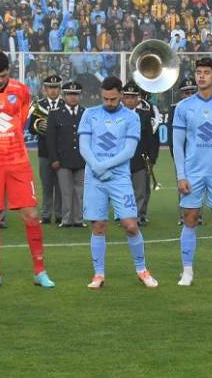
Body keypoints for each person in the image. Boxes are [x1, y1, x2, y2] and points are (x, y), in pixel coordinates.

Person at [0, 51, 55, 290]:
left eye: (4, 76)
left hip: (18, 162)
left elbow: (21, 120)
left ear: (9, 72)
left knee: (32, 215)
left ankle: (40, 271)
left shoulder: (21, 90)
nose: (0, 80)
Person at [79, 76, 159, 289]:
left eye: (113, 99)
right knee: (98, 225)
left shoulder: (131, 118)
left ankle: (142, 270)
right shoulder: (90, 114)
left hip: (119, 178)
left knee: (130, 225)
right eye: (105, 98)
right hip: (95, 179)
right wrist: (96, 167)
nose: (109, 103)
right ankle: (98, 275)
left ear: (121, 95)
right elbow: (84, 146)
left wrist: (103, 166)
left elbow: (129, 151)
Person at [171, 57, 212, 286]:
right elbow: (177, 145)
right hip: (193, 174)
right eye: (198, 72)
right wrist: (181, 175)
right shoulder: (184, 107)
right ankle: (187, 272)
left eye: (206, 72)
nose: (201, 76)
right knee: (190, 219)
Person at [47, 81, 86, 228]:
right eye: (70, 94)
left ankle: (78, 219)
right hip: (63, 160)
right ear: (64, 96)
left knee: (79, 191)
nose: (73, 97)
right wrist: (54, 159)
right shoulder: (55, 113)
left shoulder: (85, 113)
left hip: (81, 159)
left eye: (76, 94)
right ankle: (66, 219)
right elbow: (51, 140)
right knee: (66, 191)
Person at [122, 82, 160, 227]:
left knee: (140, 191)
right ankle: (125, 215)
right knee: (124, 191)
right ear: (122, 98)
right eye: (127, 97)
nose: (129, 100)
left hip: (140, 158)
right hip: (122, 160)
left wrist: (152, 158)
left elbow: (151, 138)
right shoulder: (117, 115)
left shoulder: (144, 115)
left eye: (132, 97)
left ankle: (137, 216)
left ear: (138, 98)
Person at [29, 74, 64, 225]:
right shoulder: (39, 105)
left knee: (61, 185)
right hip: (44, 152)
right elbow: (31, 128)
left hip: (62, 152)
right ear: (45, 89)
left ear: (60, 89)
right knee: (46, 185)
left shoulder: (65, 105)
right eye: (50, 87)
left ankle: (60, 214)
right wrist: (41, 128)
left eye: (56, 87)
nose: (53, 90)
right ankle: (46, 214)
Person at [167, 77, 198, 226]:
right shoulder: (175, 109)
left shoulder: (203, 108)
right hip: (184, 154)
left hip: (201, 154)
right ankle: (183, 216)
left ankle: (198, 216)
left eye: (193, 92)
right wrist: (176, 155)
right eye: (187, 93)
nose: (190, 95)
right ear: (181, 94)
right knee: (184, 185)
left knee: (200, 185)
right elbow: (172, 137)